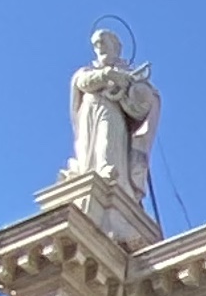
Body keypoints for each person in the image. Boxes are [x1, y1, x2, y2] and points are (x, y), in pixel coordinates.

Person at [66, 27, 161, 209]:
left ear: (115, 46)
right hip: (89, 112)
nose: (99, 46)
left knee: (107, 143)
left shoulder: (128, 73)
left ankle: (108, 175)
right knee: (87, 148)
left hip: (111, 112)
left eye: (103, 41)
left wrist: (131, 90)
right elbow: (83, 82)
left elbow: (143, 102)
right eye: (96, 44)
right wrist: (108, 75)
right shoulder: (87, 70)